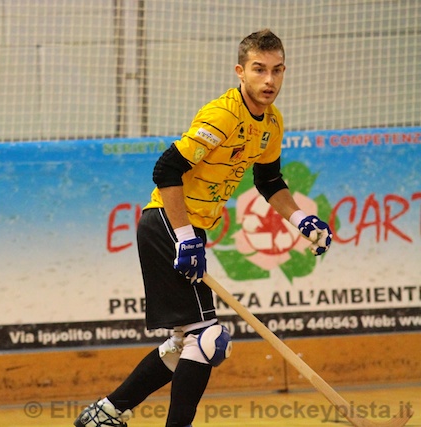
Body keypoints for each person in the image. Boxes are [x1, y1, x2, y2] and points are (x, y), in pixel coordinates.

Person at [74, 29, 332, 427]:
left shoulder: (272, 123)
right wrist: (184, 238)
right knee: (209, 339)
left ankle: (106, 413)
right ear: (240, 72)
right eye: (259, 69)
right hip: (168, 224)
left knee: (186, 345)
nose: (269, 80)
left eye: (277, 70)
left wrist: (302, 220)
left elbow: (269, 181)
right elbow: (166, 169)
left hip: (187, 230)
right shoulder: (223, 115)